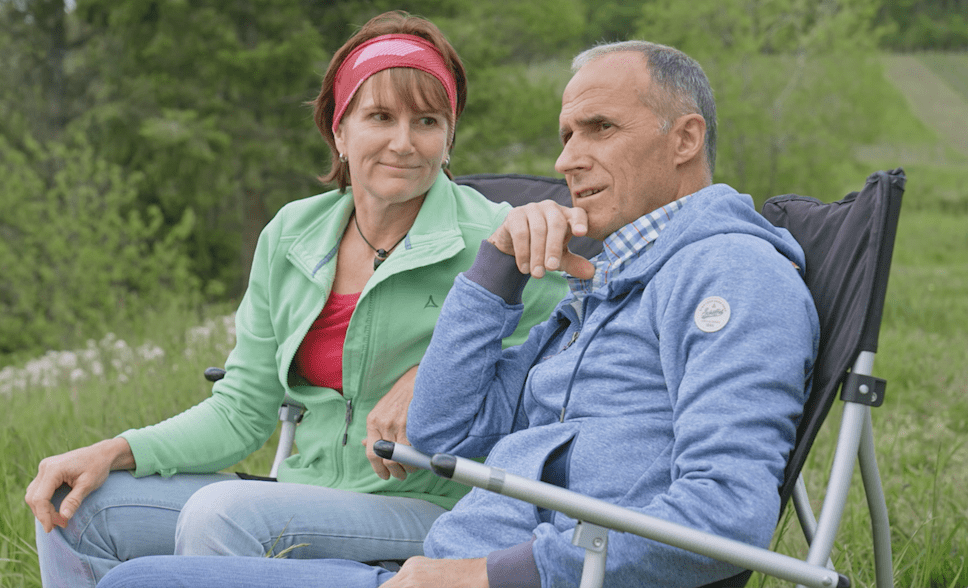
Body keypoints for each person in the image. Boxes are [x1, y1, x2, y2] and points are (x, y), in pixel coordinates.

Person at [95, 39, 820, 588]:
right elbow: (443, 430)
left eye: (598, 129)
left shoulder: (733, 275)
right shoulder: (600, 282)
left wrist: (490, 575)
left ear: (684, 139)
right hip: (437, 567)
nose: (567, 159)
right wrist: (493, 270)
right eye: (565, 135)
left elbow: (727, 515)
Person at [23, 11, 567, 588]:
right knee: (76, 506)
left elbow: (576, 340)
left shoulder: (499, 237)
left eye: (427, 121)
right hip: (305, 489)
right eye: (379, 116)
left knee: (222, 514)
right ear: (340, 129)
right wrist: (114, 450)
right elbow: (241, 411)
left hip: (437, 503)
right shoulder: (291, 235)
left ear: (449, 136)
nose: (404, 143)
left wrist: (440, 375)